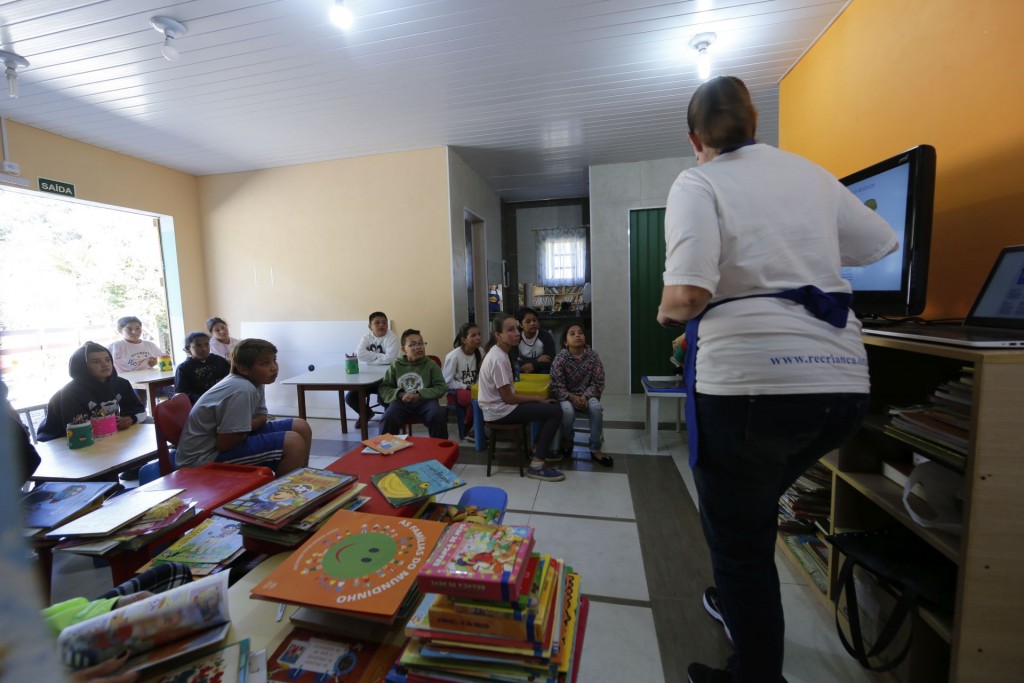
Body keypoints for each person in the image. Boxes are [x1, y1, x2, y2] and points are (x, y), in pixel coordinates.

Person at [656, 76, 897, 683]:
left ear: (694, 139)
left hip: (752, 389)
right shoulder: (810, 174)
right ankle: (740, 601)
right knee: (753, 510)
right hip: (842, 388)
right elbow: (880, 242)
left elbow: (686, 293)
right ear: (755, 123)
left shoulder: (699, 180)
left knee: (738, 537)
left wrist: (665, 314)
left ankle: (755, 672)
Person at [176, 338, 312, 475]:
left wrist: (243, 426)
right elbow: (225, 444)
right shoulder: (242, 388)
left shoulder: (256, 382)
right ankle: (284, 494)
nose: (274, 367)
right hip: (203, 459)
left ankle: (299, 480)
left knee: (300, 426)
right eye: (265, 363)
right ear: (243, 368)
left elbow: (262, 417)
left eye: (274, 360)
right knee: (293, 443)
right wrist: (243, 427)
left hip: (228, 441)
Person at [477, 314, 564, 482]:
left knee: (551, 408)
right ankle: (537, 465)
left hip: (500, 407)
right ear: (498, 335)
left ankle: (536, 450)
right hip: (499, 411)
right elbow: (509, 398)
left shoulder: (501, 353)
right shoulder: (498, 359)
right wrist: (537, 399)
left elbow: (509, 393)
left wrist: (536, 399)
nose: (517, 333)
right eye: (510, 330)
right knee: (555, 411)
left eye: (517, 328)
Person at [37, 342, 149, 442]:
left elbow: (138, 409)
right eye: (96, 361)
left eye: (107, 359)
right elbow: (77, 429)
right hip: (62, 439)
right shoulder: (70, 392)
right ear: (82, 367)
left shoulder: (121, 383)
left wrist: (131, 419)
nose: (105, 364)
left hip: (105, 435)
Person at [548, 323, 610, 466]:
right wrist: (572, 397)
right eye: (572, 333)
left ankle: (595, 447)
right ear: (565, 341)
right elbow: (556, 386)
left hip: (588, 396)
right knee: (567, 412)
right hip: (566, 397)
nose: (577, 335)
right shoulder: (560, 359)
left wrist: (585, 396)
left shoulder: (593, 356)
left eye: (580, 332)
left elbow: (598, 381)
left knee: (596, 409)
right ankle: (568, 438)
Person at [377, 329, 449, 439]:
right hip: (401, 403)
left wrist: (419, 394)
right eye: (413, 345)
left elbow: (441, 387)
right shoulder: (396, 365)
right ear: (403, 350)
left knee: (437, 415)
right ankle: (385, 449)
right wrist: (401, 395)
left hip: (426, 402)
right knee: (388, 418)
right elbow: (385, 387)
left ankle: (440, 451)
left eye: (421, 343)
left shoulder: (431, 364)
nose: (419, 347)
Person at [345, 311, 400, 428]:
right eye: (377, 323)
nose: (382, 325)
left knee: (384, 397)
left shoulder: (392, 337)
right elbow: (359, 354)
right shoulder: (366, 337)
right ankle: (366, 413)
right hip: (368, 377)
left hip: (387, 378)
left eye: (384, 323)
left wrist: (370, 357)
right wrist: (381, 358)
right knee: (350, 397)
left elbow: (390, 359)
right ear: (370, 327)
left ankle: (389, 420)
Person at [442, 322, 482, 439]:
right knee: (475, 399)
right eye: (473, 335)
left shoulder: (481, 352)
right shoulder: (453, 356)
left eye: (479, 334)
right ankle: (470, 429)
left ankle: (478, 429)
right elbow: (447, 381)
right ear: (464, 340)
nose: (478, 338)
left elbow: (481, 374)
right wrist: (466, 387)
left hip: (475, 388)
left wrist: (478, 385)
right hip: (457, 390)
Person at [174, 331, 231, 405]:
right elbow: (182, 393)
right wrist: (203, 399)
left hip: (223, 400)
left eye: (206, 344)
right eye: (198, 346)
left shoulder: (219, 361)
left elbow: (230, 379)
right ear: (188, 349)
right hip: (199, 405)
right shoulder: (184, 368)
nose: (204, 349)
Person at [513, 308, 555, 375]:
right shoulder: (516, 337)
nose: (532, 323)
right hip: (522, 373)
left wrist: (531, 365)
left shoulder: (546, 336)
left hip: (542, 373)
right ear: (521, 325)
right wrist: (537, 360)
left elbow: (550, 361)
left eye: (534, 320)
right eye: (528, 322)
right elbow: (513, 362)